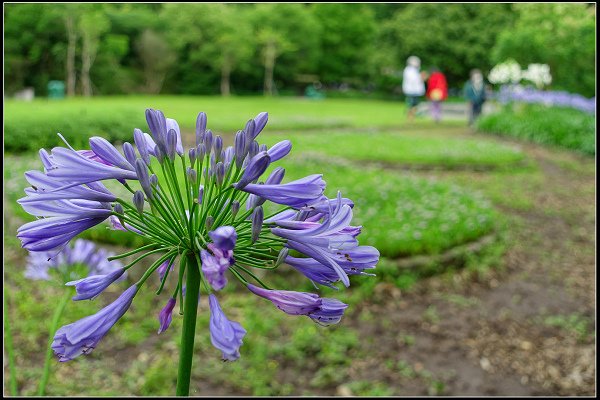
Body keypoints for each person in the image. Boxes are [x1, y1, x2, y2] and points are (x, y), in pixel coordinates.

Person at [402, 56, 426, 122]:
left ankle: (412, 117)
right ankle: (410, 118)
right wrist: (421, 77)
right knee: (410, 104)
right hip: (411, 90)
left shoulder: (415, 70)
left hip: (416, 91)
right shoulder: (408, 70)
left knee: (415, 105)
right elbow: (413, 80)